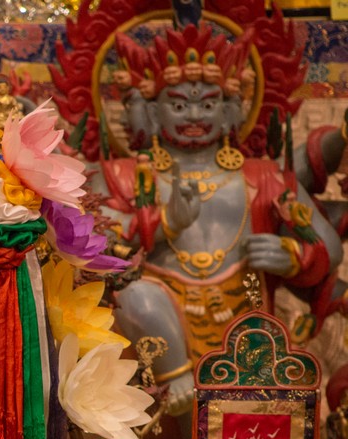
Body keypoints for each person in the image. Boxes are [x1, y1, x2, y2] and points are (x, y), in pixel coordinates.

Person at [95, 24, 342, 416]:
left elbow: (326, 247)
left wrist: (293, 255)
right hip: (153, 336)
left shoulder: (263, 177)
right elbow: (93, 245)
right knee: (135, 294)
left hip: (246, 328)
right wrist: (165, 224)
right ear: (151, 111)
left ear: (231, 110)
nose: (194, 115)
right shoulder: (123, 175)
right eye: (179, 106)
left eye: (208, 105)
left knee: (241, 437)